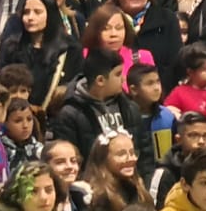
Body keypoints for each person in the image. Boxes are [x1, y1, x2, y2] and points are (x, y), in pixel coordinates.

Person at [50, 48, 153, 178]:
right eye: (118, 74)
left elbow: (145, 153)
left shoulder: (130, 108)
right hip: (94, 188)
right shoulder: (70, 115)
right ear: (100, 81)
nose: (123, 79)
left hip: (130, 185)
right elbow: (71, 161)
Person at [0, 0, 78, 108]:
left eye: (37, 12)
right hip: (17, 115)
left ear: (50, 14)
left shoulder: (70, 48)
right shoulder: (11, 47)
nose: (30, 17)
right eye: (26, 12)